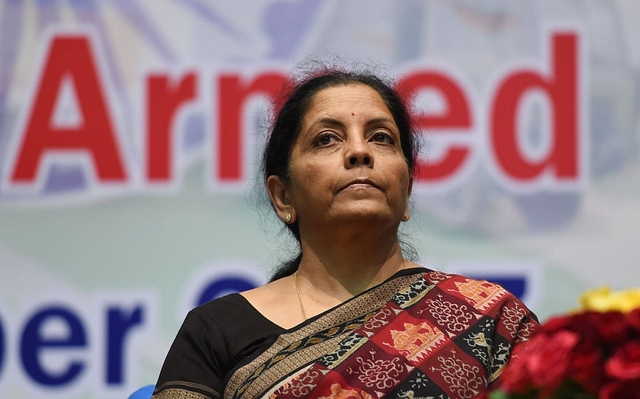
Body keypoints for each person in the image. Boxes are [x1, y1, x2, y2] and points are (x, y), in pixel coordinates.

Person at [151, 66, 539, 399]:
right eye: (326, 139)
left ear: (406, 194)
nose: (359, 152)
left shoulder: (491, 318)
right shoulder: (215, 332)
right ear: (283, 196)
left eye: (381, 138)